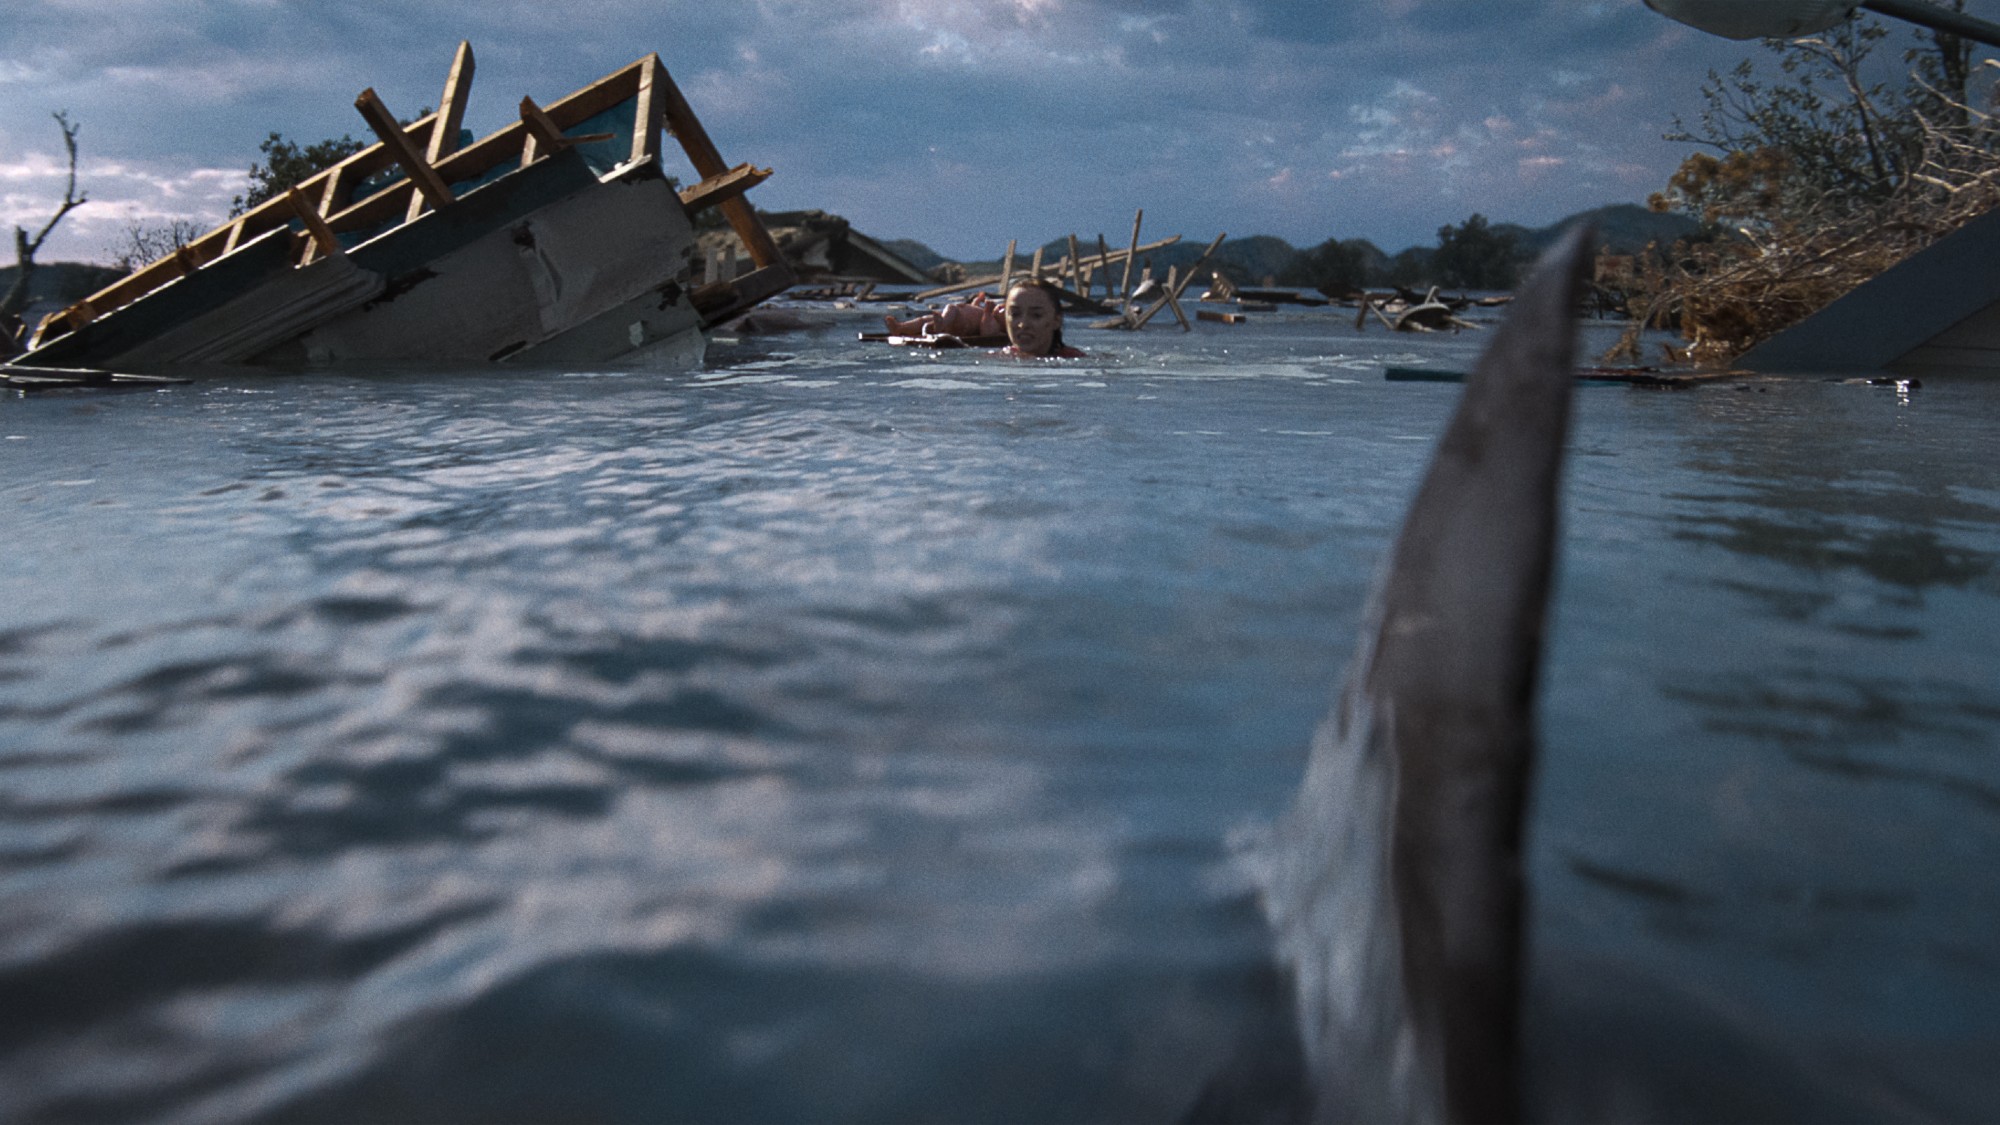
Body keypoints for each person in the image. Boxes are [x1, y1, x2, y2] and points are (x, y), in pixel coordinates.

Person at [999, 279, 1083, 358]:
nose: (1023, 324)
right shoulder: (1001, 357)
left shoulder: (1074, 359)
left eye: (1036, 315)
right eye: (1015, 314)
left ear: (1056, 320)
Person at [883, 290, 1004, 339]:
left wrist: (988, 311)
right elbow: (975, 307)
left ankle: (941, 324)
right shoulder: (982, 311)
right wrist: (978, 300)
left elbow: (987, 333)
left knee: (951, 308)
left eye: (1005, 311)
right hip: (954, 321)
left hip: (961, 323)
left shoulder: (993, 322)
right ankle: (900, 327)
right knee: (924, 320)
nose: (1001, 307)